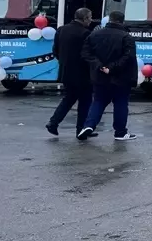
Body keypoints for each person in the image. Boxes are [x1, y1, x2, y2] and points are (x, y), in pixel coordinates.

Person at [78, 10, 139, 141]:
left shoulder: (94, 35)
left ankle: (88, 125)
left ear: (109, 20)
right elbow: (128, 57)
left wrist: (100, 66)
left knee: (98, 102)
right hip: (121, 77)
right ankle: (120, 133)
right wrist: (112, 68)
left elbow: (85, 54)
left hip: (99, 76)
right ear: (122, 21)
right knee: (121, 103)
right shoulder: (126, 37)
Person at [46, 8, 95, 137]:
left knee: (69, 98)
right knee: (85, 102)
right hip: (82, 73)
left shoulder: (61, 30)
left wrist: (64, 62)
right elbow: (87, 54)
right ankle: (81, 129)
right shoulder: (85, 33)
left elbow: (55, 50)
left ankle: (53, 123)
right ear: (84, 18)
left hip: (65, 71)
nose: (91, 20)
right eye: (90, 18)